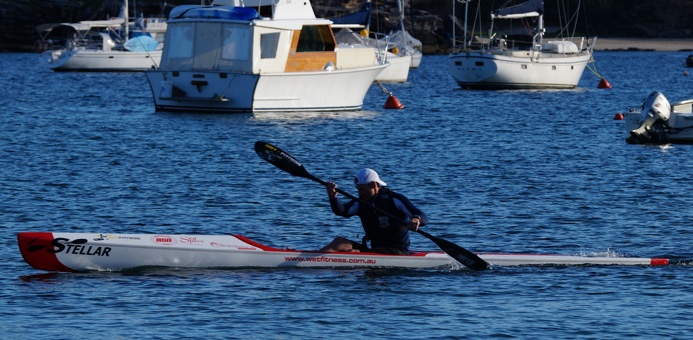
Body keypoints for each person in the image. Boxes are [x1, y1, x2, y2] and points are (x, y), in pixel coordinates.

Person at [319, 168, 428, 255]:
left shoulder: (394, 200)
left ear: (373, 185)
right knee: (339, 243)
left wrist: (416, 219)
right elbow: (342, 211)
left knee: (353, 253)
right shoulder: (361, 202)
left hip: (396, 251)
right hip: (375, 249)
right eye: (358, 189)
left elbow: (423, 216)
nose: (359, 193)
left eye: (362, 189)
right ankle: (311, 259)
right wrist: (333, 198)